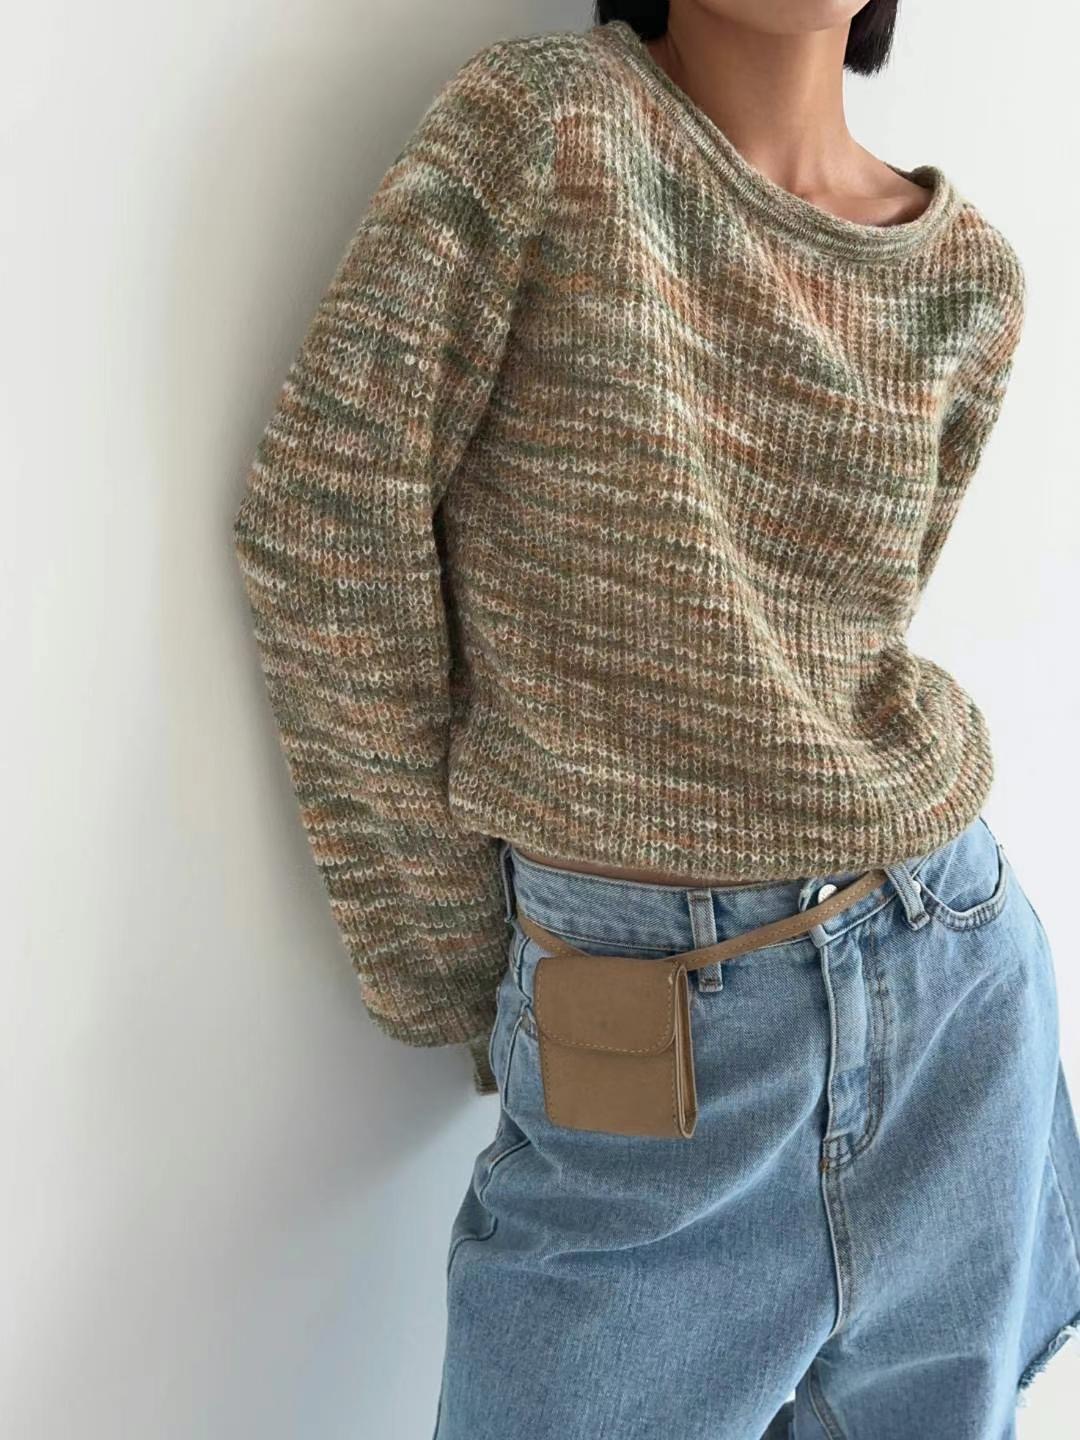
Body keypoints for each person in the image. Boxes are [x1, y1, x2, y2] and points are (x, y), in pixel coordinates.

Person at [230, 2, 1080, 1435]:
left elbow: (843, 638)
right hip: (646, 1028)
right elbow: (324, 525)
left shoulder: (969, 279)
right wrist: (458, 960)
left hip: (953, 994)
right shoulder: (549, 132)